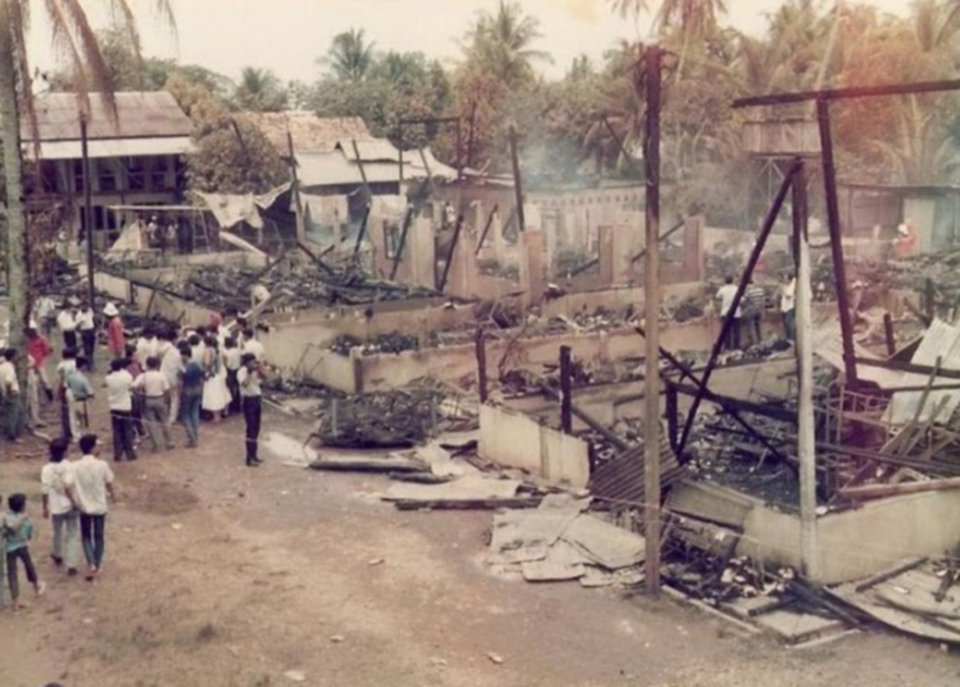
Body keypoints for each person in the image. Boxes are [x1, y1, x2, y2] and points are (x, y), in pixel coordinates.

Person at [65, 434, 115, 581]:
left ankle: (91, 562)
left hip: (84, 506)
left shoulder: (74, 466)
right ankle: (97, 564)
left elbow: (67, 485)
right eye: (97, 445)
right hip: (99, 504)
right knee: (99, 536)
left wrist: (74, 501)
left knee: (86, 535)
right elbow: (109, 482)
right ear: (93, 448)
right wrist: (113, 496)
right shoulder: (102, 465)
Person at [41, 436, 79, 576]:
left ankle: (58, 553)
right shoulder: (69, 466)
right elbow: (69, 486)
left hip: (56, 506)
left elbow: (44, 490)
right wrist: (75, 502)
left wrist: (45, 507)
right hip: (69, 504)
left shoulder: (46, 469)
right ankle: (71, 564)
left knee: (57, 530)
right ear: (64, 452)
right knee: (72, 533)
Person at [2, 493, 46, 609]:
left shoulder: (6, 517)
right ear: (22, 506)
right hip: (22, 546)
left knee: (12, 574)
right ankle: (36, 585)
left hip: (10, 548)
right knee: (29, 567)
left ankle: (15, 600)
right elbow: (30, 534)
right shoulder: (25, 520)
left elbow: (5, 532)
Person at [132, 356, 175, 452]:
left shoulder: (143, 376)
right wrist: (166, 400)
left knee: (151, 423)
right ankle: (170, 441)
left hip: (148, 399)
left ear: (147, 365)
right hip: (160, 398)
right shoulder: (161, 375)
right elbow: (167, 389)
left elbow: (134, 386)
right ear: (157, 365)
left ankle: (156, 444)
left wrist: (140, 392)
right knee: (165, 421)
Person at [105, 358, 137, 462]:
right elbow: (131, 387)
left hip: (114, 406)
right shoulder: (127, 376)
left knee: (117, 431)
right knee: (128, 431)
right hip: (126, 406)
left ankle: (118, 454)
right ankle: (130, 453)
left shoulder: (108, 378)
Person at [238, 352, 264, 467]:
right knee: (251, 428)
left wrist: (260, 370)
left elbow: (265, 379)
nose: (254, 364)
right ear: (247, 362)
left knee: (257, 428)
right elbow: (244, 384)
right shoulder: (241, 372)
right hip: (248, 400)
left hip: (257, 399)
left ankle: (254, 455)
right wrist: (249, 372)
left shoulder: (255, 371)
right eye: (252, 362)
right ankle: (249, 458)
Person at [179, 344, 205, 448]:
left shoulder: (183, 368)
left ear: (185, 355)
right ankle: (195, 437)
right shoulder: (198, 365)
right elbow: (202, 378)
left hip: (187, 391)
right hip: (197, 389)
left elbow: (180, 383)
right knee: (195, 413)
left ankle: (192, 439)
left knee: (186, 415)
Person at [65, 356, 94, 438]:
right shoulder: (83, 379)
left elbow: (68, 385)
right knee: (85, 421)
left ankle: (76, 436)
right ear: (83, 366)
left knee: (74, 418)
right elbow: (89, 392)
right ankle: (86, 436)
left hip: (73, 399)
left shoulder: (70, 376)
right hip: (82, 401)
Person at [201, 336, 230, 421]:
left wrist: (206, 373)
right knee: (222, 393)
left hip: (212, 375)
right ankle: (224, 412)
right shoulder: (218, 350)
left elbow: (207, 364)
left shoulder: (208, 350)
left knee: (213, 395)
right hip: (219, 374)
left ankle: (216, 417)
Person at [159, 329, 183, 428]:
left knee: (164, 399)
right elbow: (180, 367)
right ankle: (172, 419)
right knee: (174, 399)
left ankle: (162, 418)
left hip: (162, 376)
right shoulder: (176, 352)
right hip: (173, 377)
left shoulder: (160, 347)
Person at [0, 348, 24, 442]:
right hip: (12, 393)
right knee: (14, 415)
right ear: (13, 356)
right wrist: (10, 391)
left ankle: (9, 432)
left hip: (4, 393)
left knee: (11, 413)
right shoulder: (10, 367)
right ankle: (12, 435)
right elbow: (8, 381)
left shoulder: (2, 366)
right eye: (16, 355)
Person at [56, 348, 78, 439]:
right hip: (74, 388)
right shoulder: (75, 364)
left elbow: (60, 379)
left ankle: (67, 431)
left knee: (66, 411)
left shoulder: (61, 365)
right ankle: (75, 433)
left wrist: (59, 391)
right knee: (75, 412)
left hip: (65, 388)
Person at [716, 276, 742, 351]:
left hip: (725, 312)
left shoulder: (722, 289)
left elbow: (717, 297)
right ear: (732, 280)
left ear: (725, 281)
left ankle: (727, 348)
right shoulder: (736, 289)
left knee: (726, 332)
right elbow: (742, 300)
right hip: (736, 313)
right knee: (736, 331)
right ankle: (737, 347)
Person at [743, 280, 766, 347]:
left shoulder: (749, 292)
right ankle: (760, 341)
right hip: (759, 310)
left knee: (751, 326)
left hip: (751, 309)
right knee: (758, 326)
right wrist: (763, 311)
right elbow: (763, 301)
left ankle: (755, 343)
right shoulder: (760, 290)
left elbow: (743, 301)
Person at [223, 336, 242, 415]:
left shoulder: (228, 353)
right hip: (237, 369)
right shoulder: (237, 351)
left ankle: (231, 405)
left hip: (230, 371)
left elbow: (228, 364)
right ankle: (237, 405)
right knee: (237, 388)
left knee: (230, 388)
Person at [75, 301, 96, 370]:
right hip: (85, 331)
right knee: (87, 349)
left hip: (91, 330)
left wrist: (95, 329)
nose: (86, 308)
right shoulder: (79, 315)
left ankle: (91, 363)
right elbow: (76, 326)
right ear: (81, 306)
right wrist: (81, 333)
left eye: (87, 306)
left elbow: (93, 319)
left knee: (92, 348)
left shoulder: (90, 311)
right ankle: (89, 365)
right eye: (84, 306)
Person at [780, 273, 797, 342]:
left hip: (789, 307)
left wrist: (783, 289)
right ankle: (788, 338)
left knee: (788, 323)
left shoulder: (791, 286)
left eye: (786, 278)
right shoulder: (787, 286)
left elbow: (788, 295)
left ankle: (791, 338)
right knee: (785, 323)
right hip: (784, 307)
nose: (784, 280)